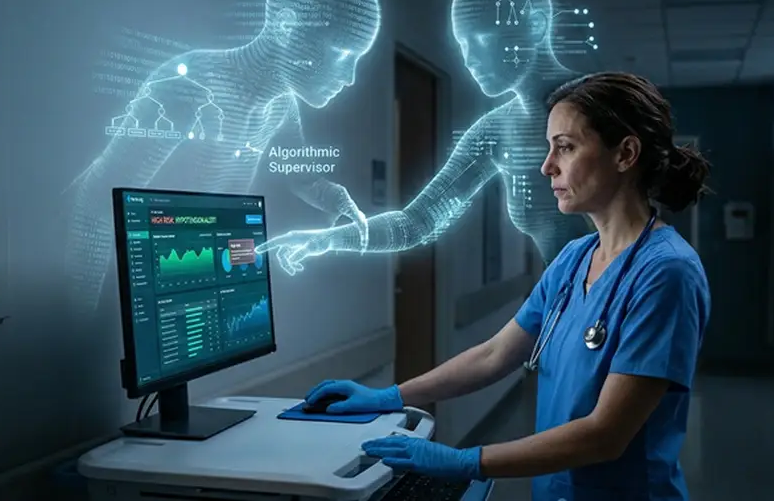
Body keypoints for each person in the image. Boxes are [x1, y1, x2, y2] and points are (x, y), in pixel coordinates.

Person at [303, 72, 713, 501]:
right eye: (549, 146)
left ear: (626, 153)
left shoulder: (667, 273)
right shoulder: (574, 260)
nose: (547, 165)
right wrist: (390, 395)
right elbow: (495, 354)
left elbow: (604, 435)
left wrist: (466, 461)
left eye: (566, 147)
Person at [65, 0, 379, 311]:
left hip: (189, 280)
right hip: (129, 298)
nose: (350, 77)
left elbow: (300, 179)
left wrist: (338, 201)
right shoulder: (193, 85)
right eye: (342, 53)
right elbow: (95, 205)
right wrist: (80, 332)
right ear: (285, 26)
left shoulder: (281, 105)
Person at [256, 0, 597, 275]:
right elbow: (415, 223)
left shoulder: (611, 106)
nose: (470, 59)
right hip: (567, 312)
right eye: (462, 45)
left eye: (480, 38)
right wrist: (327, 239)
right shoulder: (495, 132)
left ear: (534, 26)